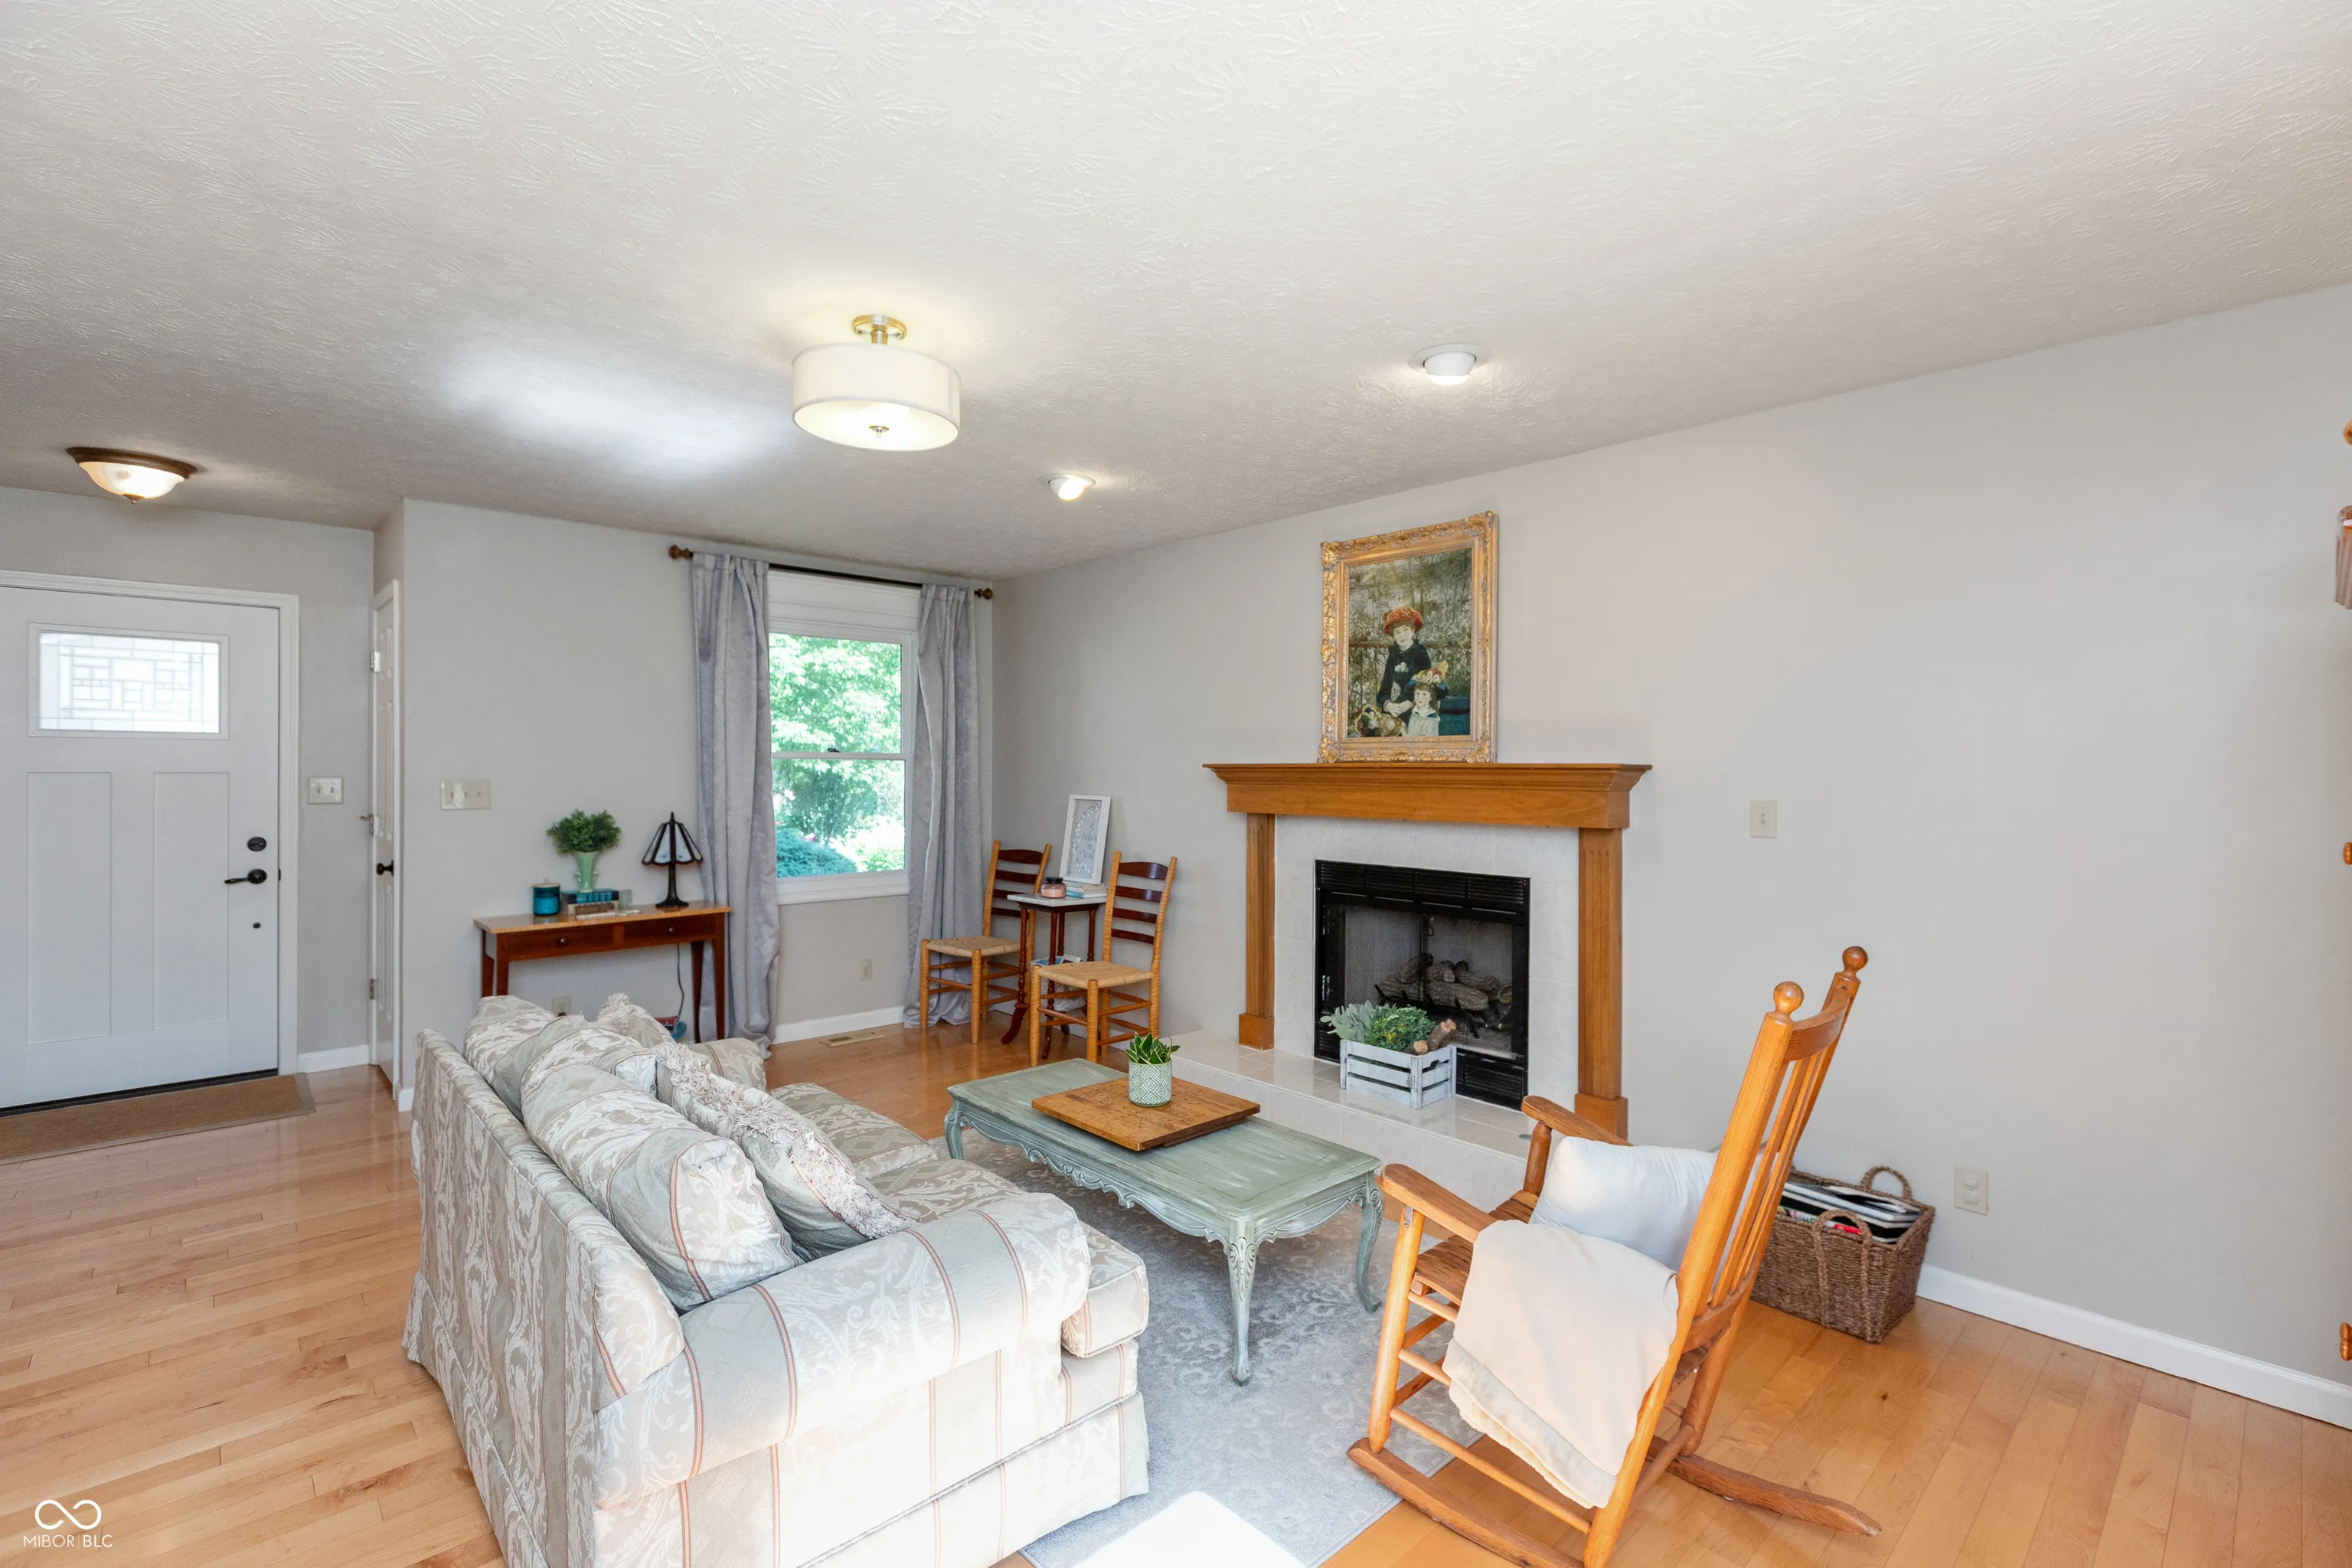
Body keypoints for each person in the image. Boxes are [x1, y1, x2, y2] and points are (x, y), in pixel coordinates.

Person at [1376, 606, 1439, 723]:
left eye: (1406, 629)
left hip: (1414, 709)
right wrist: (1389, 705)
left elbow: (1426, 688)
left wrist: (1409, 703)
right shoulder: (1393, 655)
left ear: (1413, 630)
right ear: (1394, 635)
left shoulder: (1421, 654)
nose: (1402, 635)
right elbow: (1384, 688)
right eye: (1397, 632)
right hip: (1393, 711)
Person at [1404, 667, 1446, 735]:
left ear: (1431, 697)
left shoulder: (1430, 719)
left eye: (1424, 694)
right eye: (1417, 693)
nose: (1420, 698)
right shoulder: (1415, 713)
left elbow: (1422, 741)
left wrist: (1403, 732)